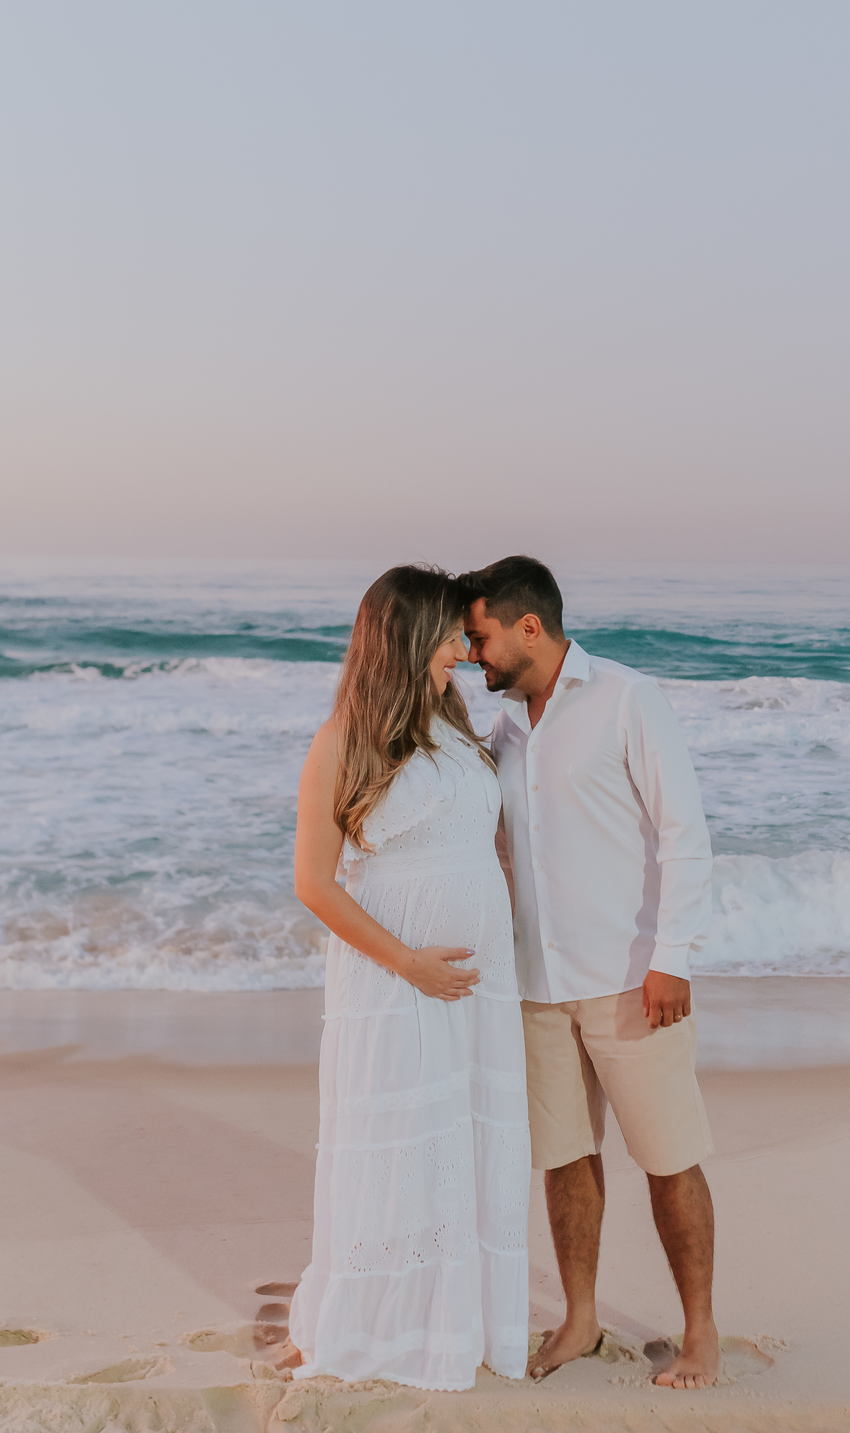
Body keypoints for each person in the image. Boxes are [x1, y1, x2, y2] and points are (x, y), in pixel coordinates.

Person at [461, 556, 719, 1389]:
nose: (475, 655)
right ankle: (580, 1317)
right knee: (566, 1158)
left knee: (668, 1158)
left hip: (628, 979)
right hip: (534, 985)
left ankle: (701, 1331)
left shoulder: (626, 699)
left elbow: (684, 831)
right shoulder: (503, 729)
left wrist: (671, 957)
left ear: (528, 626)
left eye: (482, 636)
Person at [286, 565, 530, 1391]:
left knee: (463, 1138)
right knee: (400, 1143)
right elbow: (314, 883)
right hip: (394, 983)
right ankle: (384, 1327)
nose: (465, 646)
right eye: (450, 633)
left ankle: (458, 1321)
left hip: (475, 983)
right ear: (407, 636)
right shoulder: (344, 739)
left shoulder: (459, 726)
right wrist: (410, 964)